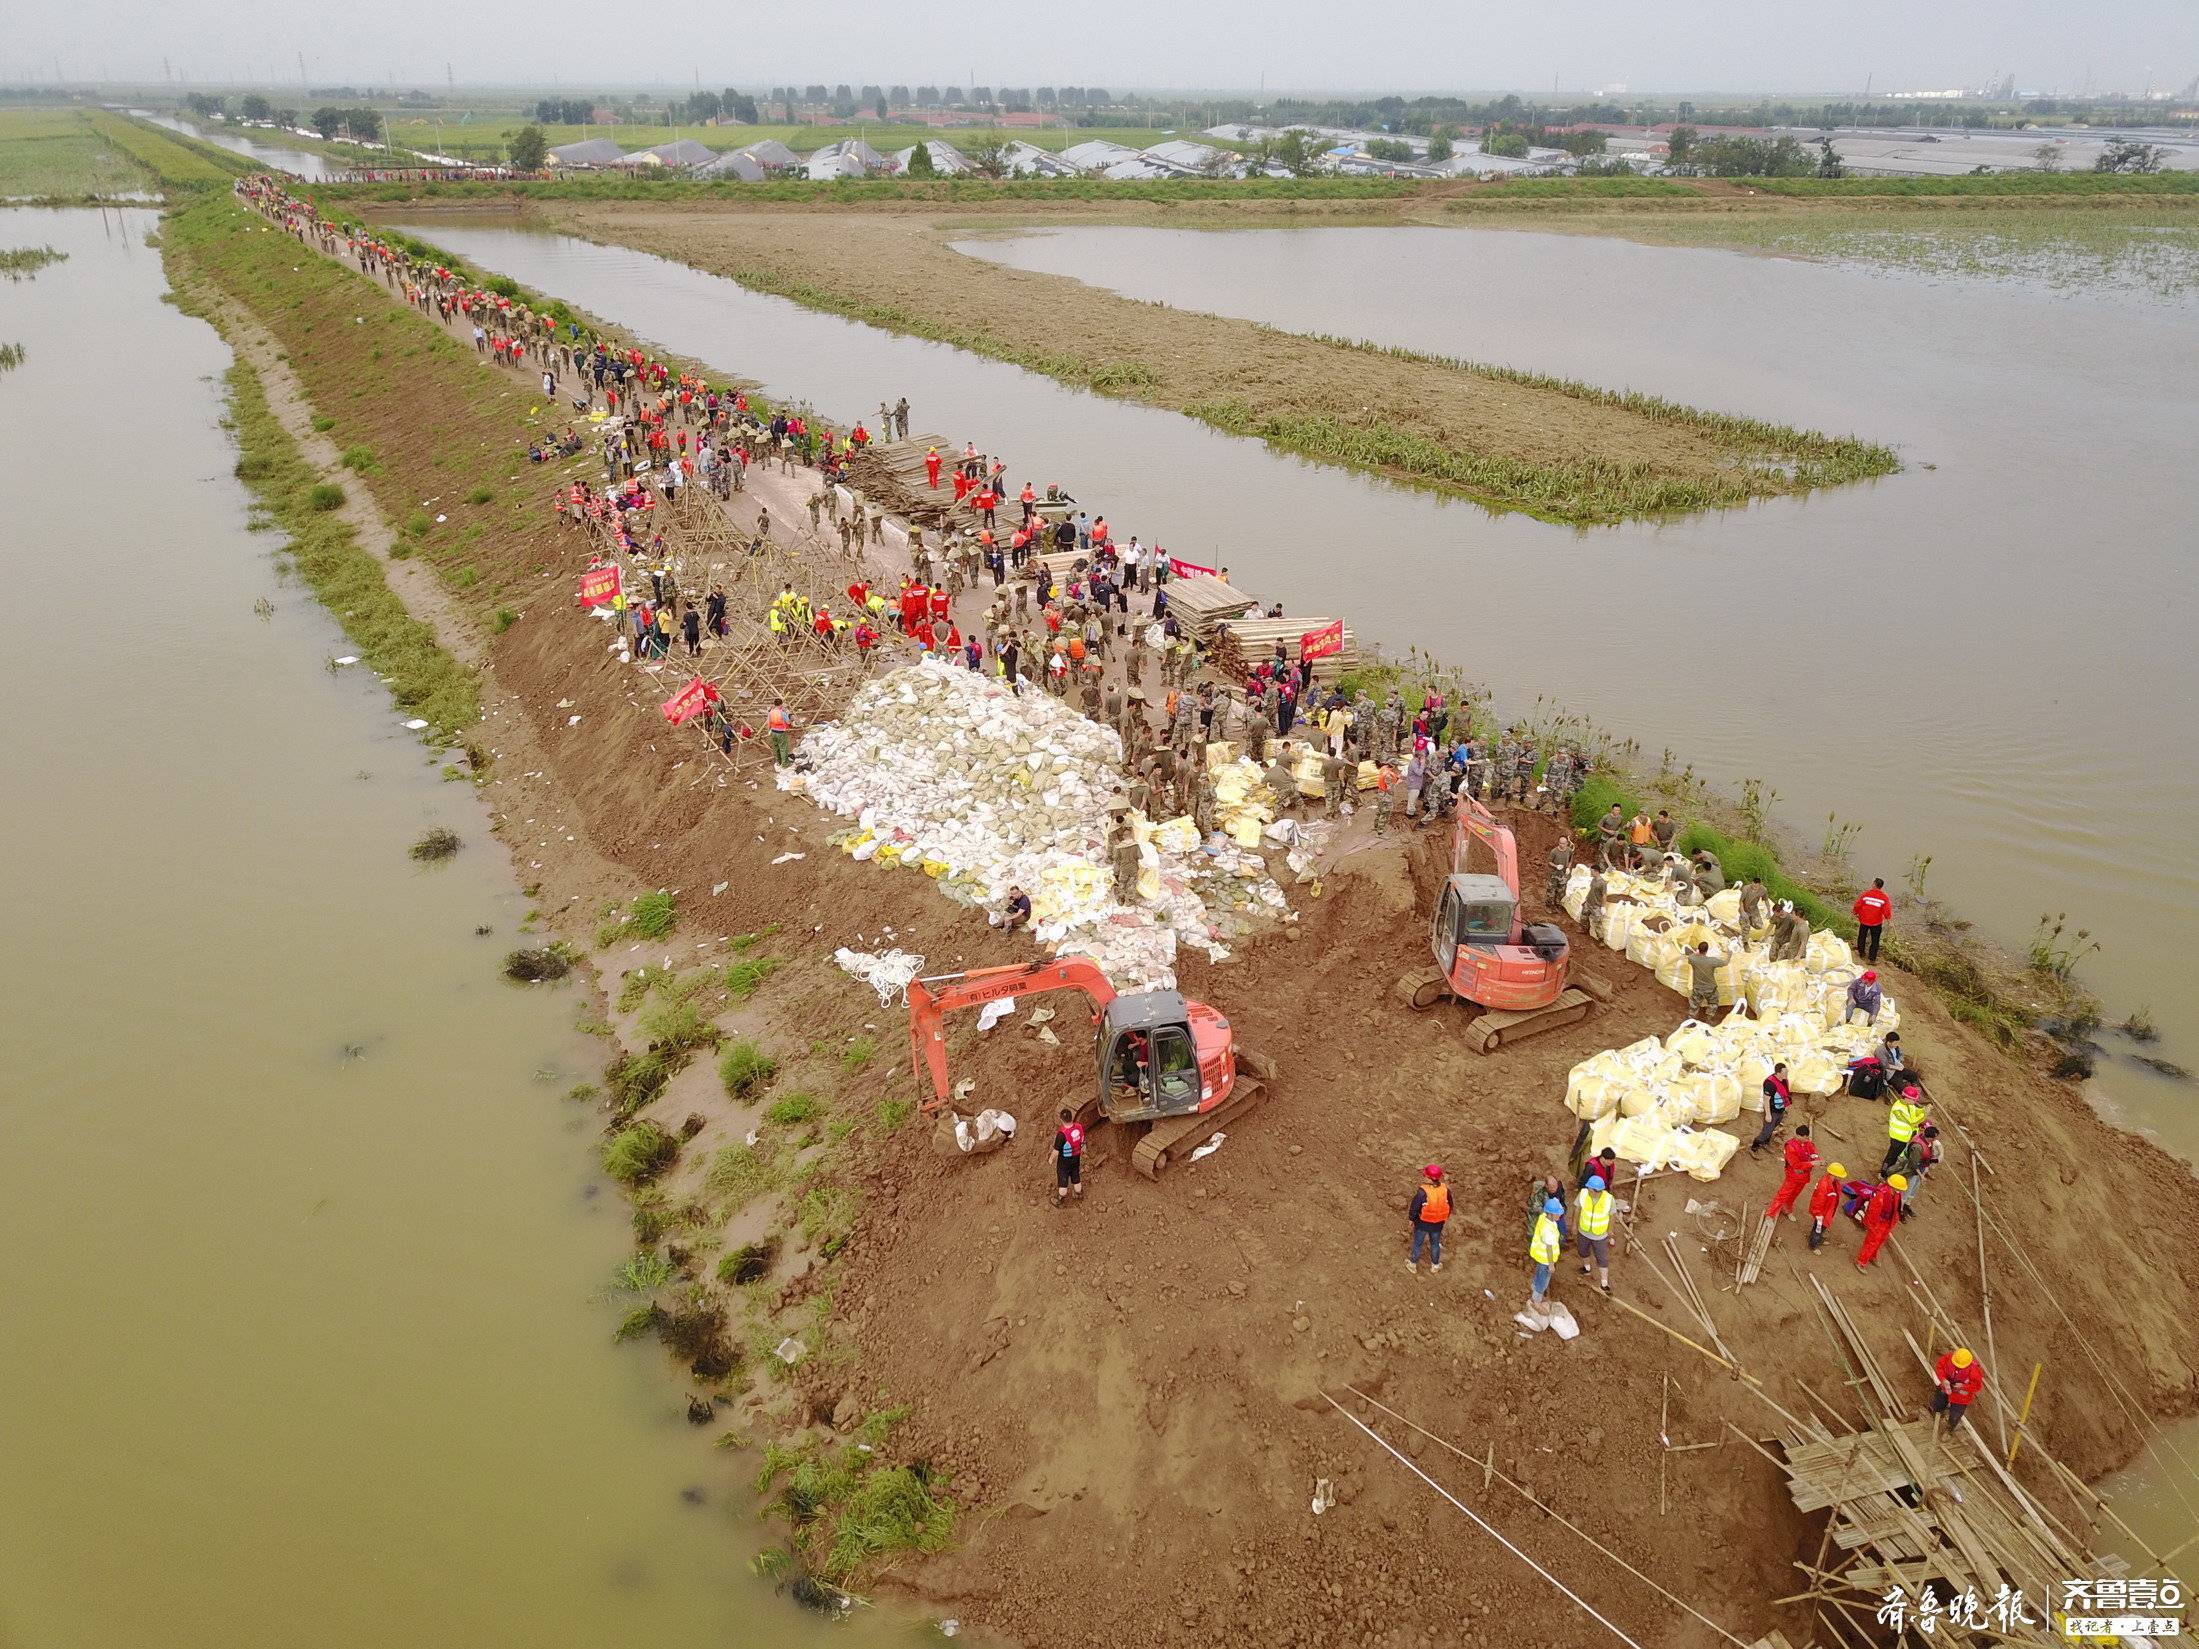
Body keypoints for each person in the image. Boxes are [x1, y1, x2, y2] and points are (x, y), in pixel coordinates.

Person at [1765, 1126, 1820, 1219]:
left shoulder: (1807, 1143)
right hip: (1793, 1176)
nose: (1807, 1140)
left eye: (1807, 1137)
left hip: (1804, 1176)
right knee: (1783, 1194)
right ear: (1798, 1136)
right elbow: (1795, 1165)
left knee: (1794, 1194)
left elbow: (1813, 1153)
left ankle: (1787, 1209)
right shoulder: (1790, 1146)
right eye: (1805, 1137)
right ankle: (1770, 1214)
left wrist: (1817, 1159)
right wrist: (1812, 1163)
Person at [1406, 1164, 1450, 1275]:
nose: (1423, 1177)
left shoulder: (1422, 1192)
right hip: (1438, 1225)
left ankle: (1412, 1264)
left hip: (1422, 1224)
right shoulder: (1445, 1190)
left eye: (1425, 1176)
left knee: (1418, 1243)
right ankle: (1435, 1265)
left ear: (1430, 1179)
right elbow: (1450, 1205)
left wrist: (1411, 1219)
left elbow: (1414, 1207)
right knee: (1435, 1244)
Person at [1575, 1173, 1613, 1294]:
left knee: (1602, 1259)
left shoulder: (1608, 1199)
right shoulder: (1583, 1194)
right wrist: (1574, 1225)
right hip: (1584, 1231)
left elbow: (1612, 1216)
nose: (1587, 1189)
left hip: (1600, 1235)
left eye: (1589, 1188)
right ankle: (1587, 1268)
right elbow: (1577, 1209)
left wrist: (1610, 1231)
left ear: (1596, 1190)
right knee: (1582, 1251)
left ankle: (1604, 1283)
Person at [1930, 1347, 1985, 1432]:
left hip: (1960, 1396)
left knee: (1955, 1415)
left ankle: (1949, 1430)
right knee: (1938, 1402)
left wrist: (1963, 1386)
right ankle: (1937, 1415)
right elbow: (1939, 1368)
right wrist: (1943, 1379)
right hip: (1946, 1387)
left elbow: (1977, 1386)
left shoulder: (1974, 1371)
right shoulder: (1948, 1358)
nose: (1957, 1367)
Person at [1856, 1174, 1905, 1268]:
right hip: (1878, 1222)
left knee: (1881, 1240)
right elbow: (1873, 1211)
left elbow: (1896, 1208)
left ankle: (1872, 1256)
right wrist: (1872, 1224)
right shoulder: (1881, 1194)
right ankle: (1861, 1261)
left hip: (1888, 1221)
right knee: (1871, 1242)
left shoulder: (1896, 1194)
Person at [1529, 1196, 1564, 1308]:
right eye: (1557, 1213)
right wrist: (1551, 1264)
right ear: (1550, 1214)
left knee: (1538, 1276)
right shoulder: (1547, 1230)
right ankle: (1537, 1301)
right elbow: (1549, 1248)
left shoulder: (1544, 1217)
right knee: (1542, 1281)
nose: (1560, 1215)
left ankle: (1535, 1292)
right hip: (1545, 1259)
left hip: (1541, 1257)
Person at [1883, 1087, 1928, 1174]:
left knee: (1895, 1156)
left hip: (1904, 1137)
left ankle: (1888, 1172)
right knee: (1891, 1156)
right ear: (1907, 1098)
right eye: (1913, 1100)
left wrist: (1923, 1110)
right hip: (1897, 1137)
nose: (1915, 1102)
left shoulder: (1909, 1105)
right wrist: (1924, 1115)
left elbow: (1915, 1112)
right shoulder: (1898, 1109)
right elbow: (1912, 1122)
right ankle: (1883, 1173)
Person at [1751, 1062, 1792, 1152]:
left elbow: (1785, 1093)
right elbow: (1766, 1100)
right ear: (1778, 1073)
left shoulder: (1784, 1080)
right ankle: (1754, 1146)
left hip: (1780, 1110)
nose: (1787, 1074)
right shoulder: (1770, 1084)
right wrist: (1768, 1115)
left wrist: (1786, 1106)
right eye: (1785, 1072)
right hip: (1772, 1111)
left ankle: (1765, 1143)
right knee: (1766, 1130)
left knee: (1773, 1127)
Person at [1684, 941, 1727, 1022]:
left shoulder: (1693, 959)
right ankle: (1709, 1018)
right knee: (1713, 1003)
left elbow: (1690, 956)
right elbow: (1725, 963)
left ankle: (1691, 1018)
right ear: (1707, 950)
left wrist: (1696, 952)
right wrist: (1730, 955)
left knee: (1694, 1003)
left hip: (1698, 987)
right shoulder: (1712, 961)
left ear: (1698, 949)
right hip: (1710, 988)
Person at [1807, 1161, 1846, 1251]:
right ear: (1835, 1175)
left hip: (1827, 1211)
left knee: (1821, 1228)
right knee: (1818, 1229)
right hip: (1822, 1213)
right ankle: (1813, 1245)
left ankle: (1818, 1239)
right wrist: (1818, 1214)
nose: (1840, 1178)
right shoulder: (1824, 1185)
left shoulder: (1833, 1183)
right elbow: (1818, 1201)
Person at [1052, 1108, 1085, 1208]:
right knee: (1075, 1175)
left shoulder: (1062, 1134)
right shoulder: (1079, 1127)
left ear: (1061, 1120)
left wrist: (1051, 1158)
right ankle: (1078, 1193)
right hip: (1076, 1158)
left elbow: (1056, 1151)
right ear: (1072, 1117)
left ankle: (1060, 1198)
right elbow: (1082, 1140)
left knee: (1063, 1179)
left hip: (1064, 1161)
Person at [1853, 877, 1892, 963]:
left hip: (1864, 920)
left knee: (1862, 936)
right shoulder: (1884, 897)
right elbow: (1887, 910)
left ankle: (1861, 953)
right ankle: (1872, 958)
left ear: (1874, 884)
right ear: (1881, 887)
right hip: (1876, 923)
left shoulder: (1866, 894)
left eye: (1873, 883)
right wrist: (1888, 918)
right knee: (1875, 940)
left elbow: (1857, 905)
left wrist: (1855, 912)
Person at [767, 697, 795, 767]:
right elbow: (788, 722)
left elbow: (768, 723)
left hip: (773, 732)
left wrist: (768, 731)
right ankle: (785, 764)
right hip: (781, 732)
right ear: (781, 704)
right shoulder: (782, 713)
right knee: (783, 748)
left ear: (774, 704)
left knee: (776, 747)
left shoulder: (771, 712)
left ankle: (779, 761)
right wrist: (791, 720)